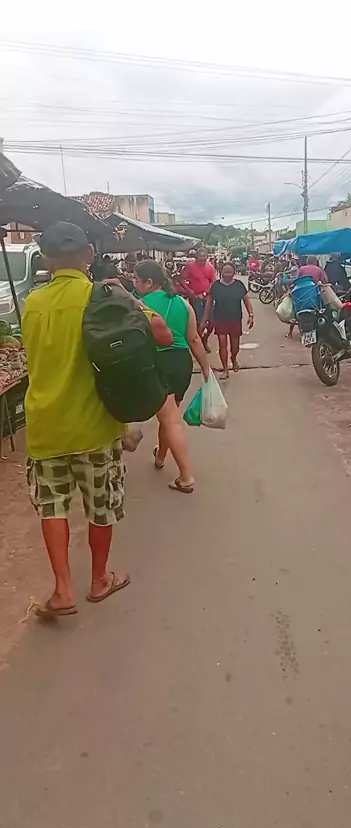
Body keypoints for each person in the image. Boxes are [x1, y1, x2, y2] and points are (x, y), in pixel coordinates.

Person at [22, 222, 172, 619]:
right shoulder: (104, 297)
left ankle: (62, 590)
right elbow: (162, 335)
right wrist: (131, 300)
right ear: (89, 255)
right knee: (100, 506)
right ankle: (99, 578)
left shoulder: (32, 303)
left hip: (44, 426)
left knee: (53, 507)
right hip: (95, 426)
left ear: (47, 260)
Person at [134, 260, 210, 493]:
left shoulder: (139, 305)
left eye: (136, 279)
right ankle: (160, 456)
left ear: (149, 282)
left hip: (159, 363)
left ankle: (186, 477)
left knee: (170, 420)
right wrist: (206, 369)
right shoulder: (182, 303)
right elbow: (194, 339)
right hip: (181, 363)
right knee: (169, 414)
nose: (134, 284)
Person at [201, 261, 254, 380]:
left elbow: (246, 300)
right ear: (221, 272)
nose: (227, 274)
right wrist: (205, 319)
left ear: (234, 272)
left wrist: (251, 315)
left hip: (235, 319)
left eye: (230, 271)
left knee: (235, 346)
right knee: (222, 343)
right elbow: (209, 303)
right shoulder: (215, 286)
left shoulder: (239, 285)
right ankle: (225, 369)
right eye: (225, 271)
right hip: (220, 319)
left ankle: (233, 359)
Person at [178, 246, 216, 350]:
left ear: (207, 257)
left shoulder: (210, 267)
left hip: (208, 297)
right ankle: (198, 343)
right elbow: (181, 278)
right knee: (199, 322)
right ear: (196, 257)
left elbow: (213, 282)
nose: (202, 258)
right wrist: (188, 290)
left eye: (204, 256)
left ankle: (204, 339)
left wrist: (205, 293)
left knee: (211, 323)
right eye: (200, 256)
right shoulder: (190, 266)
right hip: (195, 297)